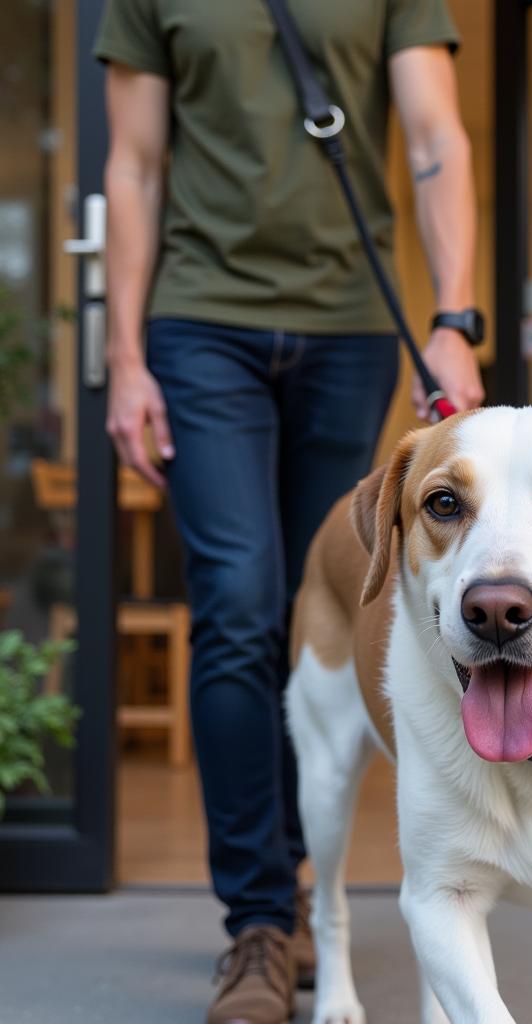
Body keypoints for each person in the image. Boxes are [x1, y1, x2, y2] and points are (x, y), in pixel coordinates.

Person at [94, 2, 484, 1020]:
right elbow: (131, 166)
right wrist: (125, 355)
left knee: (338, 610)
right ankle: (258, 925)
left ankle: (310, 886)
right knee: (238, 601)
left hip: (350, 328)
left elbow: (436, 136)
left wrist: (453, 318)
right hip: (199, 322)